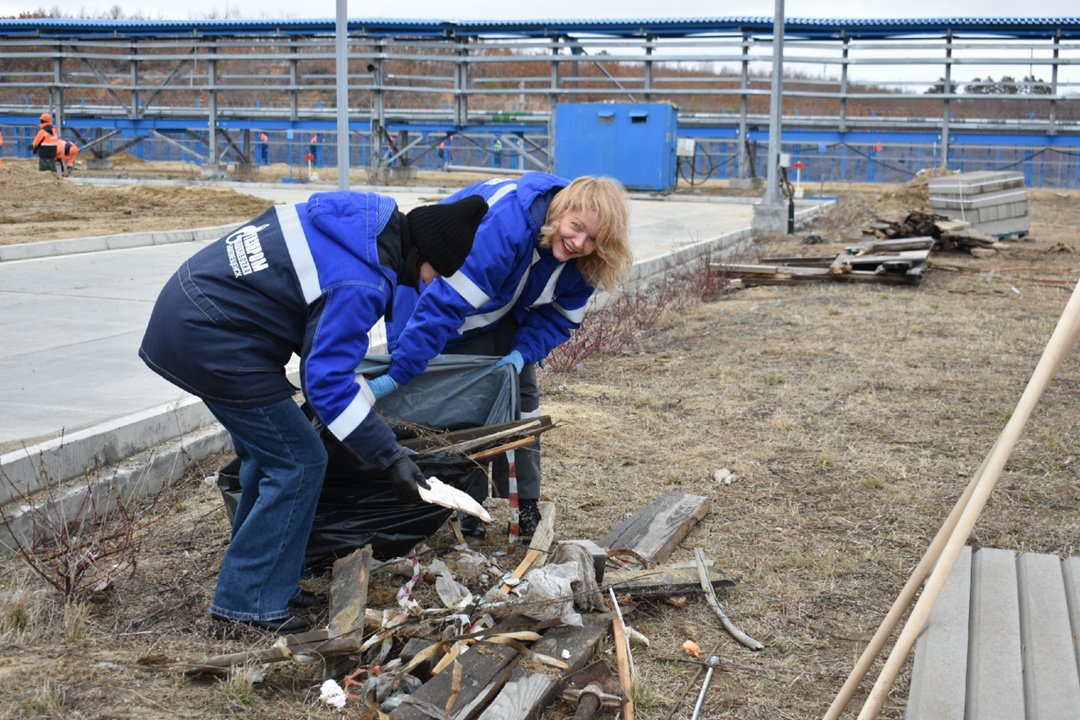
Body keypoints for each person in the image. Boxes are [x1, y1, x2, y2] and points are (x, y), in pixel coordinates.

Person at [139, 191, 488, 636]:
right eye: (435, 271)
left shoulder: (359, 223)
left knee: (271, 458)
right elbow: (324, 382)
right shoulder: (362, 281)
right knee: (300, 463)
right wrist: (390, 455)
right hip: (212, 338)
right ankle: (245, 605)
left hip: (194, 310)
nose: (428, 282)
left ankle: (268, 583)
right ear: (421, 253)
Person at [376, 173, 633, 539]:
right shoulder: (508, 223)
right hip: (426, 305)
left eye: (593, 239)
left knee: (520, 394)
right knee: (453, 405)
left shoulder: (588, 262)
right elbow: (443, 305)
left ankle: (522, 505)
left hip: (495, 312)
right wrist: (401, 369)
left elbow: (557, 317)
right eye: (576, 228)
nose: (579, 243)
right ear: (560, 211)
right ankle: (453, 506)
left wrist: (521, 352)